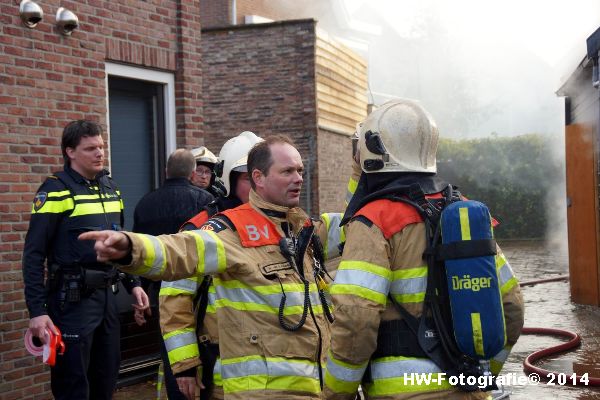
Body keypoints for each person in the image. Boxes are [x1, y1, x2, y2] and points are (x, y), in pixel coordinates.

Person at [80, 135, 345, 399]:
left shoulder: (297, 227)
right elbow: (177, 262)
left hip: (305, 381)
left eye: (299, 170)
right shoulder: (221, 229)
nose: (298, 178)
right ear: (254, 178)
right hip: (235, 371)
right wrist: (131, 247)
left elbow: (352, 223)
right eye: (287, 171)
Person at [323, 99, 525, 399]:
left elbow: (356, 320)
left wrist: (335, 394)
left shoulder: (375, 220)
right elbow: (512, 308)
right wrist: (482, 376)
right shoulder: (464, 212)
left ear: (372, 151)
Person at [22, 120, 149, 400]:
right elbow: (33, 254)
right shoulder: (54, 190)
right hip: (71, 304)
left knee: (106, 379)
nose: (99, 153)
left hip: (108, 301)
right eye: (90, 148)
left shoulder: (111, 189)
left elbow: (121, 242)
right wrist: (37, 311)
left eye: (101, 147)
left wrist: (134, 283)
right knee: (73, 385)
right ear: (70, 152)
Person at [160, 131, 263, 400]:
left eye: (262, 176)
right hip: (219, 365)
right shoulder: (202, 227)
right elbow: (174, 298)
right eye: (247, 178)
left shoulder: (281, 225)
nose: (257, 186)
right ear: (228, 179)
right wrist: (184, 366)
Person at [132, 148, 215, 400]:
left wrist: (140, 291)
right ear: (192, 174)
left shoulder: (145, 203)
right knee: (201, 351)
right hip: (198, 294)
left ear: (166, 171)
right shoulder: (205, 203)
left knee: (173, 351)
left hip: (161, 293)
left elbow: (141, 253)